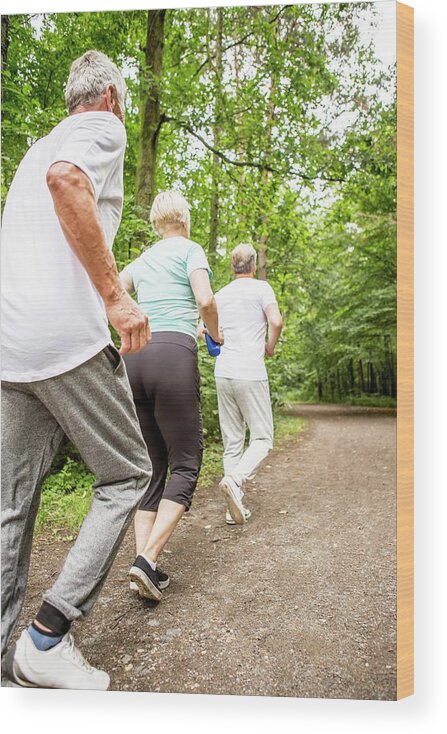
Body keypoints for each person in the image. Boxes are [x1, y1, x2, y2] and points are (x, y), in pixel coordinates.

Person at [1, 51, 152, 690]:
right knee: (128, 474)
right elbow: (69, 180)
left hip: (12, 346)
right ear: (111, 95)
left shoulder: (32, 150)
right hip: (66, 339)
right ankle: (46, 637)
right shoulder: (101, 129)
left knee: (10, 503)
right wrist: (116, 296)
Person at [120, 190, 222, 602]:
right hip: (172, 356)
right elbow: (206, 299)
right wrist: (215, 333)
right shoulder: (190, 249)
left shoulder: (141, 261)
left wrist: (129, 328)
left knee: (153, 465)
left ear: (155, 223)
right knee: (186, 460)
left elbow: (109, 293)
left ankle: (144, 564)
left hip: (135, 360)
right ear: (185, 219)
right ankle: (147, 561)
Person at [208, 244, 283, 525]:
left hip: (223, 372)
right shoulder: (262, 289)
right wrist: (270, 346)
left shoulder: (220, 295)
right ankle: (235, 480)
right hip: (250, 372)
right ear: (253, 266)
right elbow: (276, 320)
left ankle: (232, 509)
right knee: (262, 438)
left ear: (233, 267)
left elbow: (203, 329)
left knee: (233, 442)